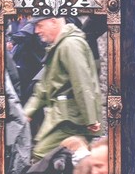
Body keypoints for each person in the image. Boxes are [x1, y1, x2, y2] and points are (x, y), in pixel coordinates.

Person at [23, 15, 103, 161]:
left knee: (41, 157)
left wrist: (91, 119)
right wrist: (27, 112)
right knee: (63, 162)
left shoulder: (70, 45)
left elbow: (82, 82)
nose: (36, 31)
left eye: (40, 25)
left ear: (53, 22)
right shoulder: (61, 45)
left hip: (71, 121)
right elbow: (44, 87)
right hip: (66, 118)